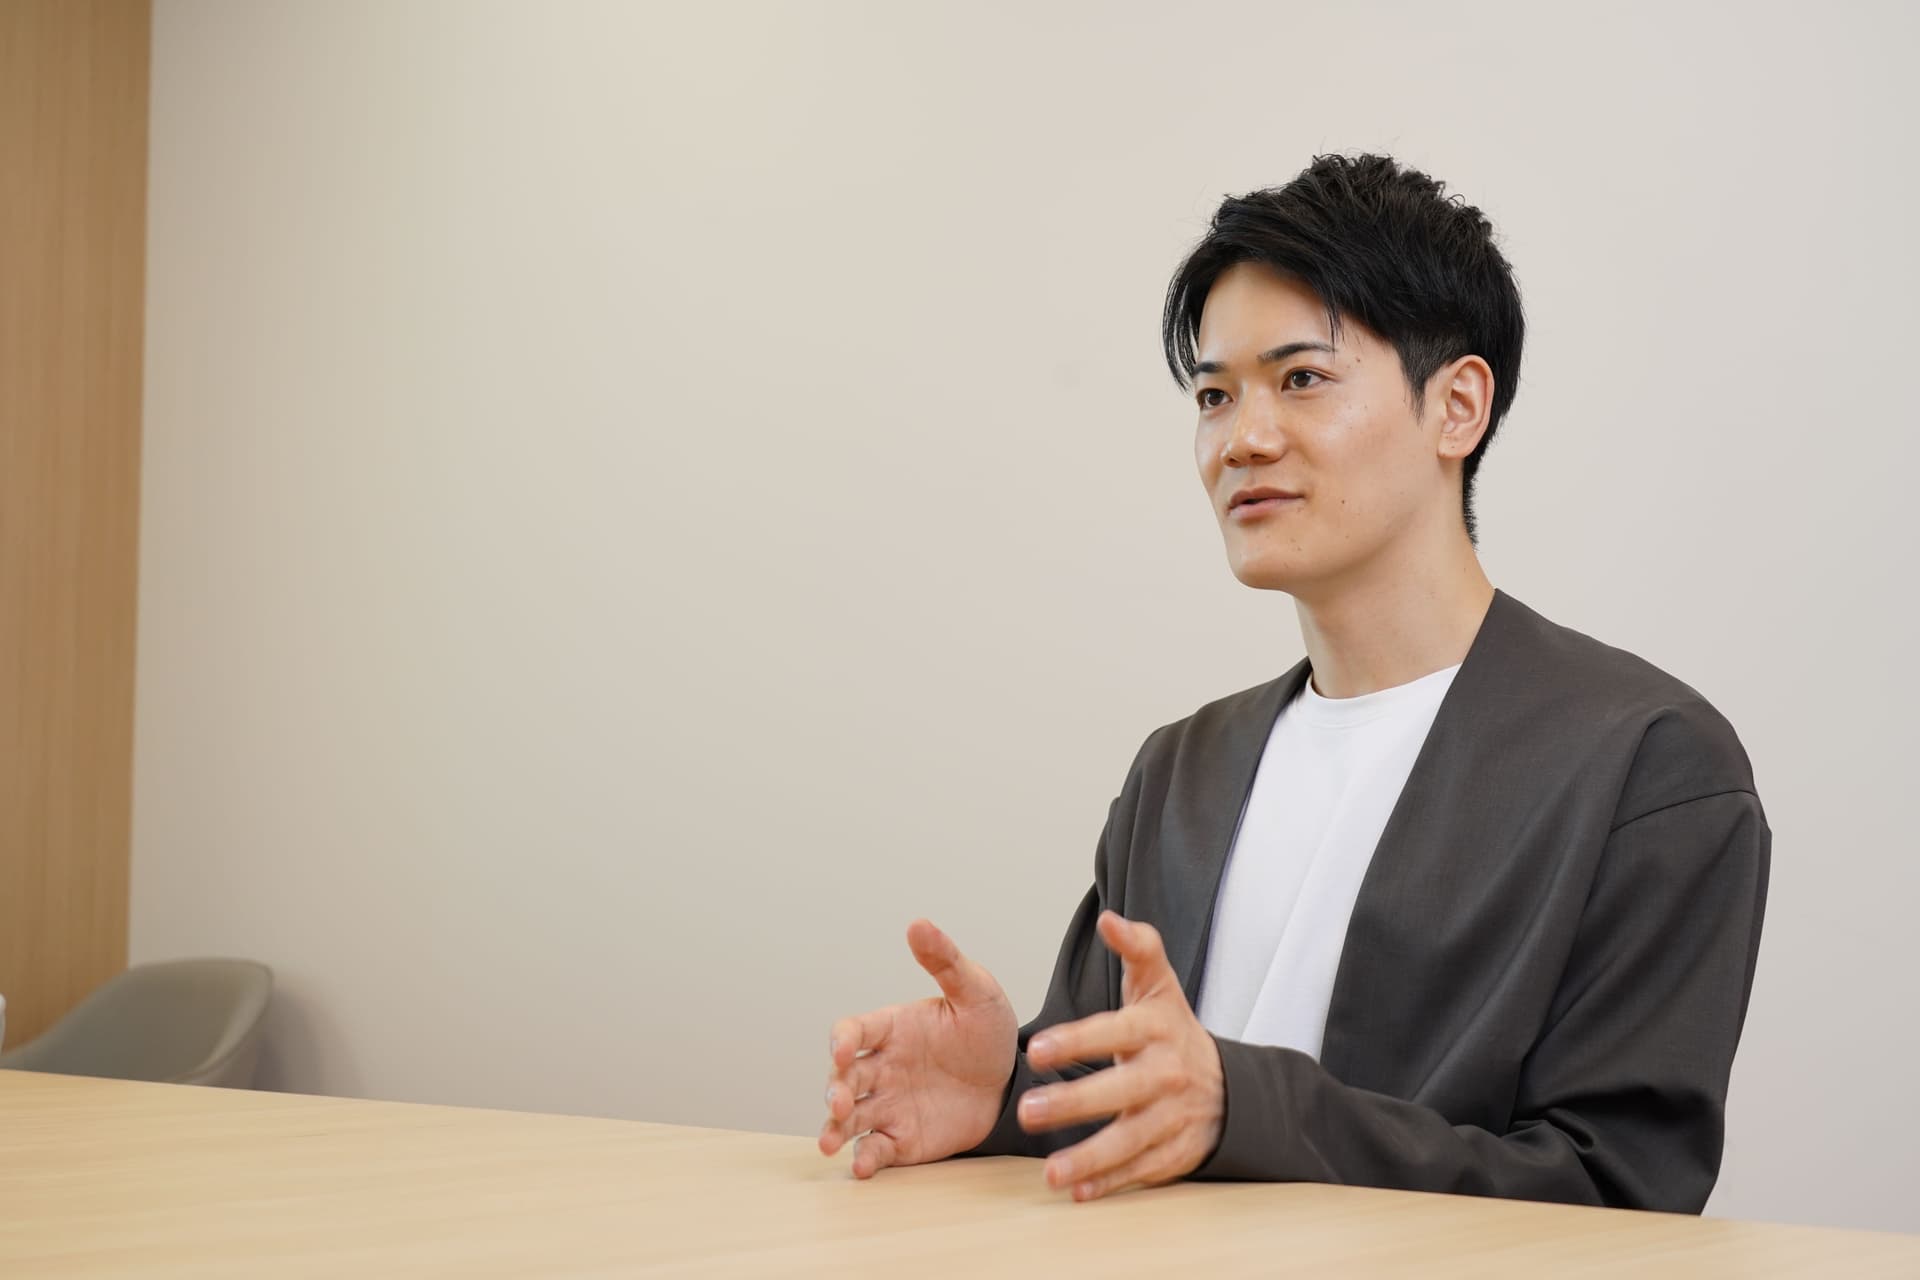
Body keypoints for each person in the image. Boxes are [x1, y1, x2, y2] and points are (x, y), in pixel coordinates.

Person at [816, 153, 1770, 1212]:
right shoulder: (1180, 770)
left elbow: (1620, 1190)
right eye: (1214, 395)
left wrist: (1246, 1107)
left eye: (1301, 379)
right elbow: (1132, 1105)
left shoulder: (1646, 764)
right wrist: (1004, 1094)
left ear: (1457, 406)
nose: (1244, 439)